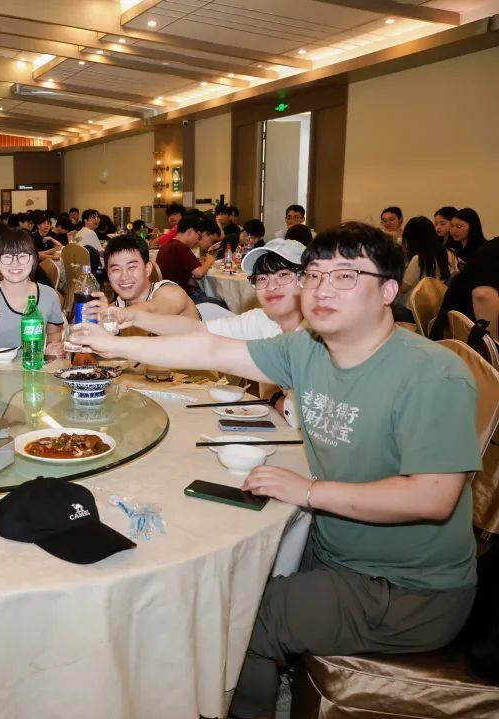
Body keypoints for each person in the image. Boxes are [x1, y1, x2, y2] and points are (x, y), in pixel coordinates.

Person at [73, 222, 480, 719]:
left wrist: (310, 491)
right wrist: (116, 345)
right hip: (334, 549)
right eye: (314, 275)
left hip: (407, 587)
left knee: (236, 618)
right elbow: (212, 349)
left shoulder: (431, 374)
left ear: (389, 291)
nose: (322, 290)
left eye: (345, 276)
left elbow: (431, 497)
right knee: (212, 572)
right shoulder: (308, 348)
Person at [105, 239, 305, 342]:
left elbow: (154, 309)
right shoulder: (257, 321)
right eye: (262, 278)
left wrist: (114, 316)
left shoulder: (169, 292)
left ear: (308, 277)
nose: (271, 286)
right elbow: (199, 331)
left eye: (284, 275)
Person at [0, 228, 64, 355]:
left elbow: (54, 334)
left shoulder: (49, 295)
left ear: (33, 259)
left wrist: (51, 350)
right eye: (7, 257)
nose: (15, 263)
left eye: (22, 256)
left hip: (34, 366)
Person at [83, 234, 199, 323]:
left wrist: (109, 315)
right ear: (108, 273)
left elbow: (153, 309)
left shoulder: (171, 292)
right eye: (116, 269)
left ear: (148, 269)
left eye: (132, 267)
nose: (124, 276)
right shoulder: (118, 307)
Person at [431, 238, 499, 341]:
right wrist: (494, 345)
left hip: (465, 329)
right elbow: (482, 295)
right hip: (455, 338)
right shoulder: (493, 252)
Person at [155, 215, 217, 293]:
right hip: (178, 296)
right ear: (190, 231)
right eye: (198, 236)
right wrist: (209, 261)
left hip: (166, 293)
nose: (198, 241)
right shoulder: (181, 247)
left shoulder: (168, 245)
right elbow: (199, 273)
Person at [399, 216, 456, 293]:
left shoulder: (418, 259)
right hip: (441, 297)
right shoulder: (448, 252)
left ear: (411, 239)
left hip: (418, 299)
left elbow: (403, 288)